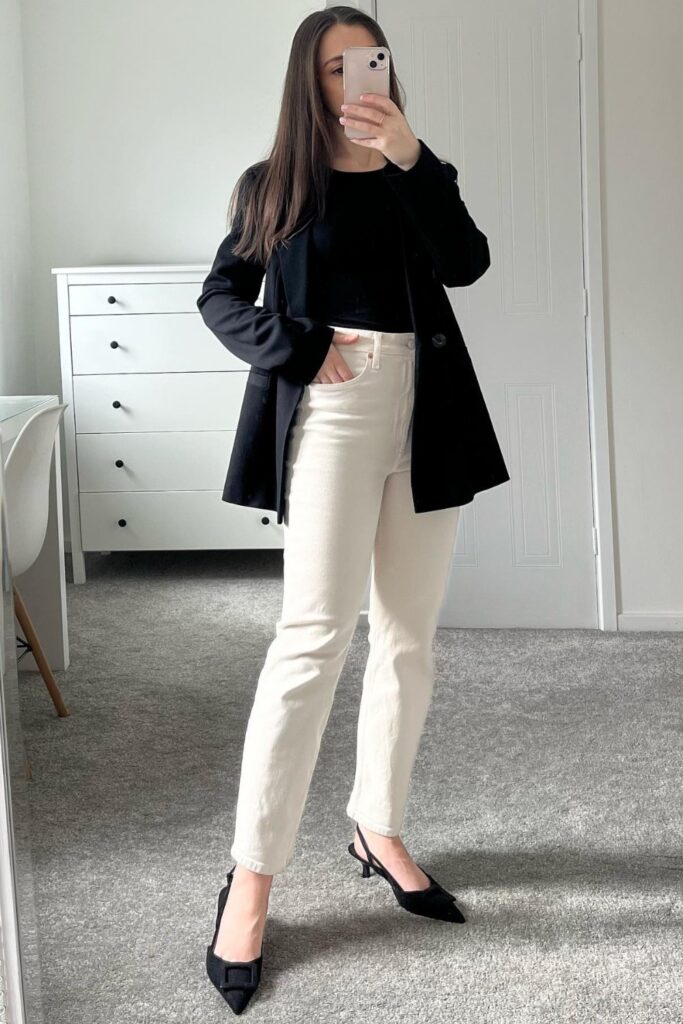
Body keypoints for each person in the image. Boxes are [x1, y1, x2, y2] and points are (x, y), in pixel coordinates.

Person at [199, 6, 509, 1015]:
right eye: (333, 66)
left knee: (407, 638)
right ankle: (250, 879)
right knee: (311, 638)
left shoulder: (420, 171)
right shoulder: (272, 184)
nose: (351, 80)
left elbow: (465, 263)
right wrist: (294, 349)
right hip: (329, 407)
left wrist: (413, 158)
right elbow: (220, 293)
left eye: (364, 61)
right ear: (309, 78)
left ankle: (376, 826)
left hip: (425, 406)